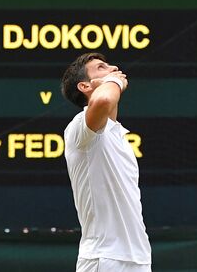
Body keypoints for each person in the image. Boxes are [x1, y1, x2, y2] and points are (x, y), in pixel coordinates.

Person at [61, 52, 152, 272]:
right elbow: (103, 100)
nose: (113, 68)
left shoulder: (117, 135)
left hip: (138, 259)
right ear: (85, 86)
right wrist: (115, 81)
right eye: (101, 68)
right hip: (104, 259)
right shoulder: (78, 127)